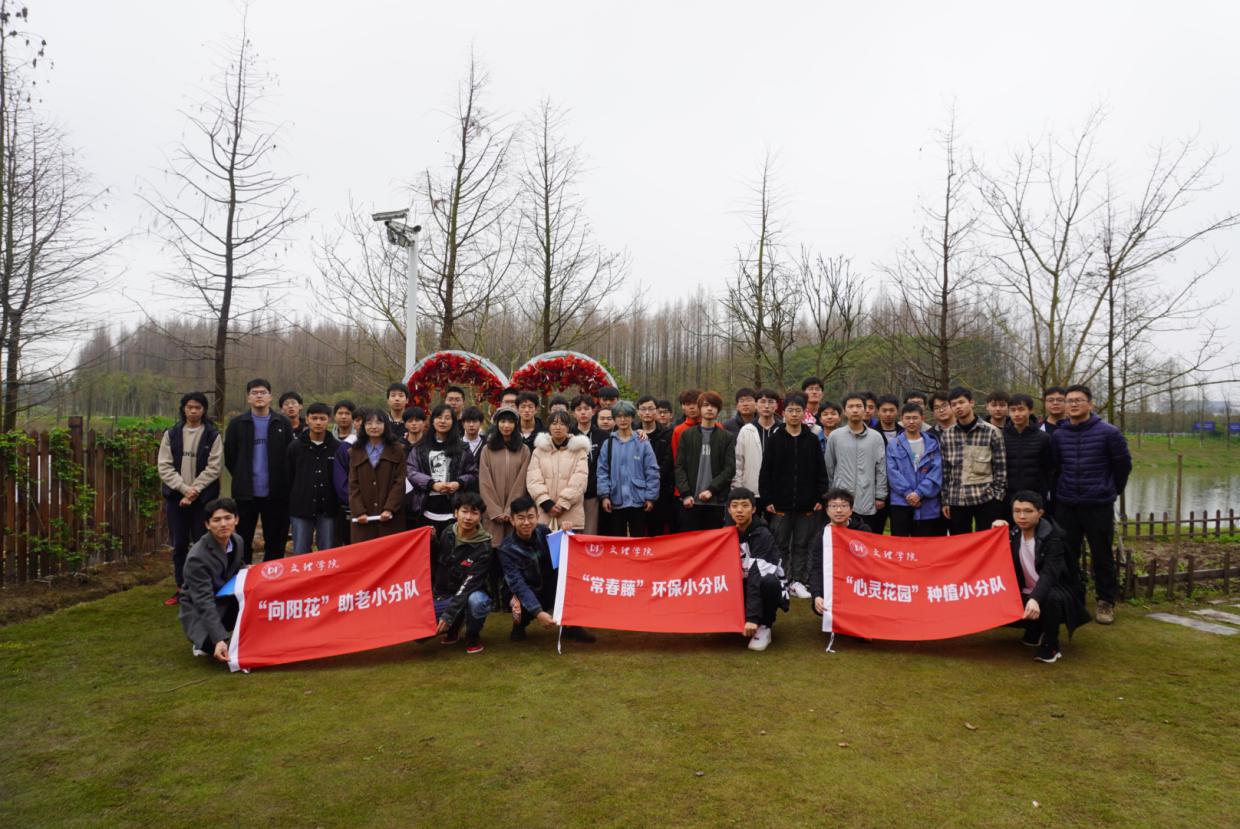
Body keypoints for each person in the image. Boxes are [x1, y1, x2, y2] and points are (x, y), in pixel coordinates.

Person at [1050, 384, 1131, 625]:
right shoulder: (1059, 435)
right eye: (1069, 401)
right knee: (1068, 554)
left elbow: (1123, 466)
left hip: (1098, 504)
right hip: (1067, 503)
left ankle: (1105, 601)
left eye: (1079, 400)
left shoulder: (1109, 433)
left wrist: (1111, 490)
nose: (1073, 404)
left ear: (1090, 404)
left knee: (1102, 554)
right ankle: (1073, 597)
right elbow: (1055, 468)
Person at [992, 491, 1092, 663]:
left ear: (1040, 513)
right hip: (1025, 590)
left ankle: (1051, 644)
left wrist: (1035, 598)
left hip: (1057, 591)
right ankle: (1035, 628)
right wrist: (995, 532)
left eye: (1028, 511)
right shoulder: (1013, 534)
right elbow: (994, 558)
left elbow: (1050, 574)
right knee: (994, 600)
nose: (1021, 516)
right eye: (1017, 511)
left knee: (1049, 598)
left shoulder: (1054, 538)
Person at [498, 496, 597, 644]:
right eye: (521, 518)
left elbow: (565, 554)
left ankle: (571, 626)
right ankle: (519, 625)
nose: (526, 522)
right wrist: (538, 612)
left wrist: (567, 533)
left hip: (546, 587)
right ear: (512, 520)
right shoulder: (506, 549)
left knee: (568, 577)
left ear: (537, 517)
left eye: (530, 517)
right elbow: (517, 584)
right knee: (516, 602)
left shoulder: (543, 531)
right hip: (522, 592)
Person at [759, 392, 829, 599]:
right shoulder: (775, 439)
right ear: (783, 413)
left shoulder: (812, 440)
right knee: (779, 542)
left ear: (804, 413)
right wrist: (767, 499)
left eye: (798, 410)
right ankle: (781, 578)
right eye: (790, 410)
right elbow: (766, 472)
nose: (794, 414)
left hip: (807, 504)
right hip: (779, 504)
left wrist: (820, 498)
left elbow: (821, 471)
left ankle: (798, 580)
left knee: (802, 544)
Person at [157, 391, 222, 605]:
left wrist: (194, 491)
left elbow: (214, 468)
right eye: (190, 407)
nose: (193, 411)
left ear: (204, 410)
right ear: (183, 409)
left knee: (204, 544)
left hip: (203, 500)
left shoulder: (212, 435)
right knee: (180, 544)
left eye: (198, 407)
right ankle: (182, 588)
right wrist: (184, 489)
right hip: (177, 499)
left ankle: (204, 588)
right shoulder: (172, 434)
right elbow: (164, 466)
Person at [224, 378, 295, 564]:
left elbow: (290, 456)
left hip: (277, 493)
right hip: (245, 494)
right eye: (254, 393)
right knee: (242, 539)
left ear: (270, 397)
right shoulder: (237, 424)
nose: (259, 396)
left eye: (263, 392)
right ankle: (243, 576)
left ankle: (272, 576)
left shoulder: (282, 423)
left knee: (276, 540)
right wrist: (242, 476)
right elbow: (230, 457)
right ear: (248, 398)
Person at [178, 497, 244, 663]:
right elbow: (203, 600)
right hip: (201, 608)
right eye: (217, 520)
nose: (223, 524)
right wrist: (218, 639)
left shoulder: (237, 540)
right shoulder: (197, 557)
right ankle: (203, 641)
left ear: (236, 519)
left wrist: (248, 569)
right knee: (211, 645)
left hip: (225, 597)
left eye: (228, 518)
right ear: (207, 524)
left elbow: (235, 565)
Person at [727, 487, 788, 652]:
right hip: (742, 584)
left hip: (763, 585)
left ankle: (765, 625)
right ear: (729, 509)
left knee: (769, 582)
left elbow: (757, 575)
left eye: (745, 505)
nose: (739, 510)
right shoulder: (726, 533)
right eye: (735, 506)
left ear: (753, 509)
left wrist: (752, 618)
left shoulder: (763, 535)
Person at [940, 387, 1007, 535]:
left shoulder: (991, 432)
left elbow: (1000, 468)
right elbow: (945, 470)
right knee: (960, 544)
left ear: (971, 403)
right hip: (956, 499)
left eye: (961, 402)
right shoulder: (947, 435)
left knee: (986, 541)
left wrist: (997, 497)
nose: (958, 407)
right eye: (954, 404)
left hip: (985, 498)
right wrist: (945, 500)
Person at [433, 492, 494, 654]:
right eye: (464, 511)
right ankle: (453, 629)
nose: (468, 517)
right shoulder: (447, 533)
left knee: (476, 601)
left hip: (473, 590)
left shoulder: (484, 547)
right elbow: (437, 564)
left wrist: (448, 615)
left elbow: (469, 584)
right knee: (420, 634)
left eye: (474, 513)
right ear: (456, 513)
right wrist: (431, 541)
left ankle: (472, 636)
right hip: (447, 593)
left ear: (480, 517)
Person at [407, 404, 480, 537]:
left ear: (453, 422)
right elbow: (411, 471)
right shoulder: (420, 447)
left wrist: (458, 483)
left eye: (447, 418)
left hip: (454, 510)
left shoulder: (462, 448)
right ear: (432, 420)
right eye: (439, 417)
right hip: (425, 508)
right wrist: (431, 484)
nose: (442, 421)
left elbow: (473, 473)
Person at [674, 391, 736, 531]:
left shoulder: (726, 437)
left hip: (716, 501)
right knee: (690, 541)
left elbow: (730, 469)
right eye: (706, 405)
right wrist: (685, 493)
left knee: (713, 540)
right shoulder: (687, 435)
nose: (709, 409)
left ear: (718, 410)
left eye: (713, 406)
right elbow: (679, 466)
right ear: (699, 408)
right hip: (690, 501)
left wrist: (711, 489)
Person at [824, 393, 887, 529]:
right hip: (841, 501)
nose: (855, 410)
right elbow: (829, 467)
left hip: (867, 498)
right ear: (844, 411)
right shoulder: (835, 436)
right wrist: (832, 494)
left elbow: (881, 469)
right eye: (851, 406)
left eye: (859, 406)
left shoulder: (876, 437)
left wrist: (880, 495)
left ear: (865, 409)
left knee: (866, 537)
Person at [598, 401, 661, 537]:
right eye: (619, 416)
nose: (623, 420)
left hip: (638, 500)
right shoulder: (608, 443)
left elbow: (652, 471)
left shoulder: (643, 442)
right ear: (614, 419)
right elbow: (602, 471)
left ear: (632, 418)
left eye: (626, 416)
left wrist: (650, 497)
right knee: (618, 540)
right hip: (615, 499)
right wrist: (604, 496)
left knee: (638, 540)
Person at [287, 402, 341, 553]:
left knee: (328, 552)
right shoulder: (295, 447)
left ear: (329, 420)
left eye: (322, 419)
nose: (318, 422)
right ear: (307, 419)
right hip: (301, 508)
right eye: (314, 418)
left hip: (328, 508)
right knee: (300, 552)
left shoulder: (337, 448)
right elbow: (288, 478)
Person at [809, 488, 872, 617]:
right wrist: (816, 595)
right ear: (827, 511)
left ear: (851, 509)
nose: (839, 510)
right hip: (834, 584)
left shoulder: (863, 531)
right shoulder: (823, 536)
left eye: (843, 506)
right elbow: (816, 568)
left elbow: (872, 562)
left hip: (858, 583)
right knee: (820, 605)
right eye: (834, 506)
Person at [348, 409, 407, 543]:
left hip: (391, 517)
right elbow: (353, 484)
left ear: (386, 425)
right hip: (363, 518)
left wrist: (390, 508)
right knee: (365, 553)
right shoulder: (355, 451)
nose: (374, 427)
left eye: (379, 423)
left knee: (391, 551)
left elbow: (399, 482)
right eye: (369, 423)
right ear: (363, 426)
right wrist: (359, 511)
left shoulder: (397, 450)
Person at [885, 403, 943, 537]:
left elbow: (936, 471)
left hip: (927, 503)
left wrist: (919, 493)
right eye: (908, 418)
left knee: (925, 544)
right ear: (902, 419)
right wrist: (908, 493)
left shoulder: (933, 444)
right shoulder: (893, 444)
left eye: (915, 418)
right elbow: (892, 473)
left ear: (922, 419)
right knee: (900, 544)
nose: (911, 422)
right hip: (901, 503)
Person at [527, 410, 591, 530]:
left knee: (569, 542)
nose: (558, 427)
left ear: (568, 427)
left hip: (570, 513)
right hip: (544, 512)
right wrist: (546, 503)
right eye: (554, 423)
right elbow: (533, 480)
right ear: (549, 427)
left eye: (562, 424)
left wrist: (562, 504)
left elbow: (580, 481)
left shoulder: (579, 451)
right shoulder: (539, 451)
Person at [478, 407, 531, 548]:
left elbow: (522, 482)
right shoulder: (487, 449)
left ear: (516, 424)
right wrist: (494, 511)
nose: (506, 426)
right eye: (502, 421)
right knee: (492, 549)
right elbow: (484, 482)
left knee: (513, 549)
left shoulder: (524, 450)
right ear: (497, 424)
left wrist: (510, 510)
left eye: (510, 422)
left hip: (514, 513)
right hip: (492, 514)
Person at [636, 395, 675, 536]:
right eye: (643, 409)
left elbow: (668, 461)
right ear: (637, 412)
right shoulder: (632, 433)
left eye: (651, 409)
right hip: (636, 490)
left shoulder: (667, 434)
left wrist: (653, 480)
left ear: (657, 411)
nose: (647, 412)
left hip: (661, 490)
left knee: (657, 532)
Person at [733, 388, 781, 498]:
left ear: (776, 406)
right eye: (762, 402)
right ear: (756, 405)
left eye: (771, 402)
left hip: (778, 492)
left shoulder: (783, 430)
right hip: (751, 492)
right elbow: (738, 462)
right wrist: (738, 489)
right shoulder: (746, 430)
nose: (766, 406)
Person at [1004, 393, 1052, 503]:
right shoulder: (1000, 436)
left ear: (1030, 410)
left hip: (1035, 495)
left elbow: (1048, 469)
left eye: (1021, 409)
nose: (1017, 414)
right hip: (1007, 496)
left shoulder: (1043, 437)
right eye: (1013, 410)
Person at [570, 394, 606, 534]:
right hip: (572, 495)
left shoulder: (603, 436)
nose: (583, 412)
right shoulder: (568, 435)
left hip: (593, 494)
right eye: (579, 409)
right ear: (573, 413)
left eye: (586, 408)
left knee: (590, 533)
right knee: (573, 534)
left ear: (593, 411)